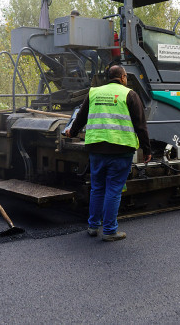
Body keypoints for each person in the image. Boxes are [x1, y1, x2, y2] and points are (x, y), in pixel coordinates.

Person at [64, 65, 151, 242]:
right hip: (121, 149)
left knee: (97, 188)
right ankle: (110, 230)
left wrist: (71, 132)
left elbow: (80, 118)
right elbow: (140, 126)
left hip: (96, 148)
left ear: (108, 77)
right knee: (113, 190)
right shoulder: (130, 94)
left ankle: (93, 226)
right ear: (123, 77)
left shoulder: (94, 92)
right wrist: (147, 149)